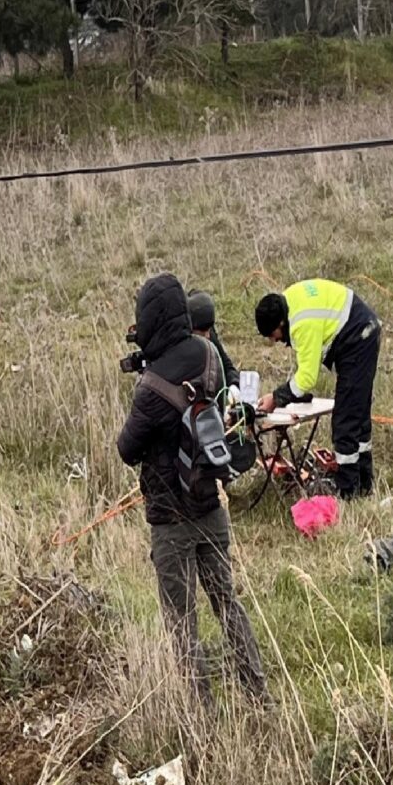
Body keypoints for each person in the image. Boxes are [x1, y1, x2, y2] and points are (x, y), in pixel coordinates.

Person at [116, 274, 269, 704]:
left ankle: (201, 716)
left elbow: (127, 449)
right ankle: (258, 693)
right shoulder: (208, 356)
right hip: (210, 505)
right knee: (227, 602)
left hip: (170, 520)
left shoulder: (150, 389)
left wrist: (147, 375)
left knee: (182, 622)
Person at [254, 278, 381, 498]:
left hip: (358, 338)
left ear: (280, 325)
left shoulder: (302, 324)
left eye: (272, 335)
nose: (274, 341)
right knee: (357, 414)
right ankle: (364, 483)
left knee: (346, 419)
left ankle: (348, 490)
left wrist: (276, 398)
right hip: (361, 328)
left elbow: (307, 378)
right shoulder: (289, 300)